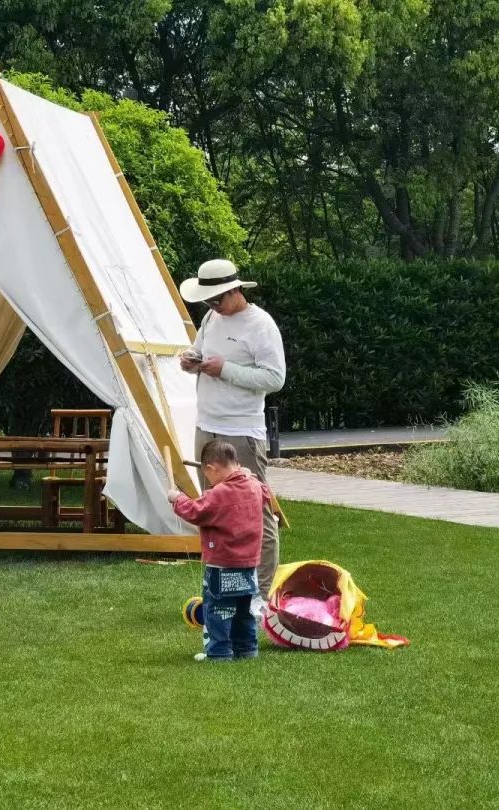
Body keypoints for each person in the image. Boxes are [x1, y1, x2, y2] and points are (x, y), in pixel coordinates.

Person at [179, 258, 285, 603]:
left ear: (235, 290)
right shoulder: (211, 318)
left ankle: (261, 596)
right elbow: (200, 350)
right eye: (207, 301)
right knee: (212, 510)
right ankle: (220, 588)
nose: (212, 306)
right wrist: (190, 359)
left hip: (241, 431)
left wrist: (225, 370)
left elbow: (275, 378)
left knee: (255, 512)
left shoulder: (261, 325)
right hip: (206, 425)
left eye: (217, 299)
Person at [168, 440, 270, 662]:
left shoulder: (219, 493)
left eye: (207, 475)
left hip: (222, 564)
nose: (209, 480)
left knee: (218, 611)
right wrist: (248, 476)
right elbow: (266, 494)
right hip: (249, 564)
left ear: (211, 468)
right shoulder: (254, 485)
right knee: (244, 610)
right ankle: (247, 650)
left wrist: (177, 500)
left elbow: (196, 511)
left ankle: (219, 653)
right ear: (237, 463)